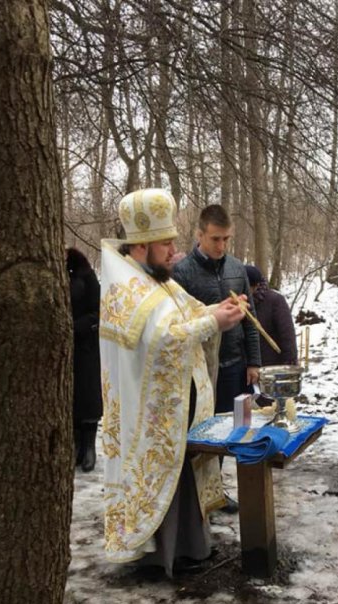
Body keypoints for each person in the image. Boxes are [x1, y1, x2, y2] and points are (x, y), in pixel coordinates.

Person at [100, 188, 245, 579]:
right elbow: (163, 338)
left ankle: (188, 548)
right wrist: (214, 323)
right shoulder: (125, 286)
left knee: (181, 473)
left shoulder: (156, 278)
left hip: (172, 402)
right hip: (148, 409)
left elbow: (188, 310)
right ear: (143, 245)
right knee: (164, 474)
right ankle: (158, 556)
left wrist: (220, 310)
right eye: (166, 242)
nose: (172, 249)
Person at [173, 204, 261, 513]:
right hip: (199, 371)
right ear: (199, 235)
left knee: (226, 434)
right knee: (199, 435)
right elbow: (178, 325)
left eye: (226, 239)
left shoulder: (237, 269)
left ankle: (216, 492)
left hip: (235, 366)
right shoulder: (181, 274)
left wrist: (254, 363)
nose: (221, 246)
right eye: (215, 239)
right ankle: (192, 498)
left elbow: (250, 320)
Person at [67, 247, 102, 472]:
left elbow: (98, 310)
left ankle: (89, 446)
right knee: (70, 397)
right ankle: (76, 443)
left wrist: (74, 327)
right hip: (63, 348)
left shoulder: (86, 275)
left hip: (86, 345)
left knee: (87, 395)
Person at [246, 265, 298, 366]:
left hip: (272, 363)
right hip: (247, 366)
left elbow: (287, 332)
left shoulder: (275, 301)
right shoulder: (240, 303)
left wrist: (290, 360)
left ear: (256, 285)